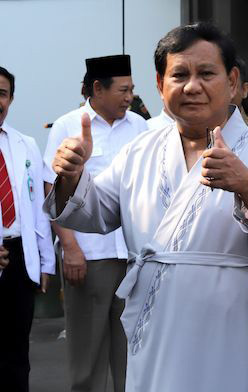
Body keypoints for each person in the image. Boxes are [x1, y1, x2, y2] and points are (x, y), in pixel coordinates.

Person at [45, 22, 248, 392]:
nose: (192, 86)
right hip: (156, 325)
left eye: (206, 73)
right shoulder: (140, 150)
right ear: (160, 85)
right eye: (179, 75)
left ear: (232, 81)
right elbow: (93, 213)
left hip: (232, 325)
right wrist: (72, 177)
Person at [43, 55, 147, 392]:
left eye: (132, 89)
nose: (129, 96)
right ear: (98, 89)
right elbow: (52, 189)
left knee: (132, 350)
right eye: (123, 89)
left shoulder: (140, 127)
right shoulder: (68, 125)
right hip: (90, 255)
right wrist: (70, 248)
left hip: (132, 255)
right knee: (87, 353)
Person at [0, 66, 55, 392]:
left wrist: (45, 261)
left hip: (20, 256)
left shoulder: (26, 145)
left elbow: (38, 208)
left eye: (2, 93)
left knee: (17, 352)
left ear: (11, 99)